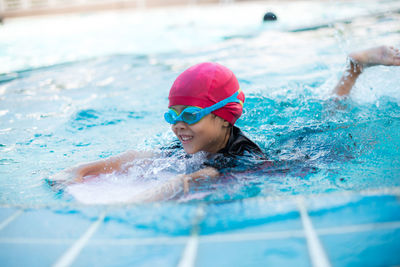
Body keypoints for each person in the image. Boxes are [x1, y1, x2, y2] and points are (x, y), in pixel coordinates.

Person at [49, 45, 400, 203]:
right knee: (324, 116)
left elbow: (185, 184)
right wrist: (81, 169)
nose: (177, 126)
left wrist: (126, 204)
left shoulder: (234, 159)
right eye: (172, 115)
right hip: (286, 141)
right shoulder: (197, 140)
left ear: (225, 115)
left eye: (188, 116)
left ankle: (354, 67)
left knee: (330, 122)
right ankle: (353, 67)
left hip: (310, 157)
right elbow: (136, 156)